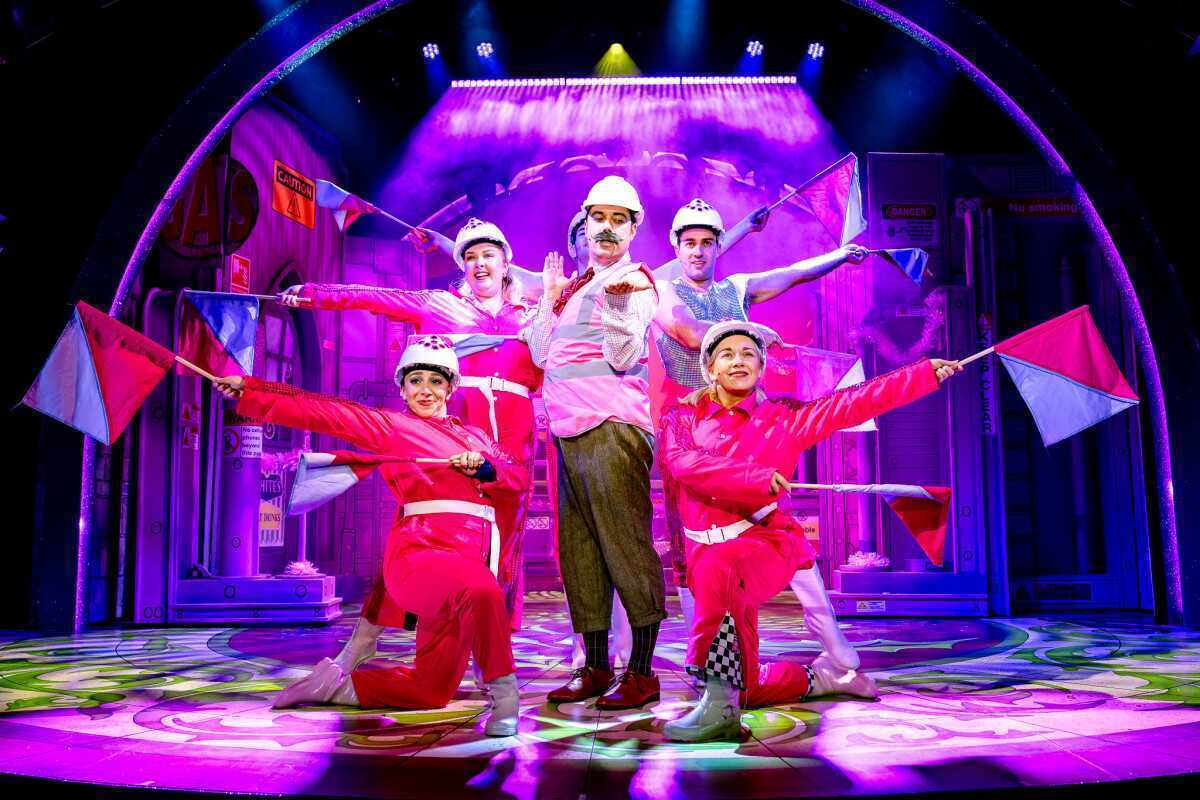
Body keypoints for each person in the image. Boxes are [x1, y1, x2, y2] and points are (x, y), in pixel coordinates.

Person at [658, 320, 962, 741]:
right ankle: (818, 680)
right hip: (704, 552)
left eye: (748, 354)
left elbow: (854, 402)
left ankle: (720, 710)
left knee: (719, 568)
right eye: (727, 354)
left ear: (761, 367)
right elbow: (681, 463)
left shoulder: (785, 417)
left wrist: (922, 374)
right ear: (709, 369)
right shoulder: (680, 416)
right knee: (744, 681)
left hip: (764, 543)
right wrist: (755, 476)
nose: (738, 361)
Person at [213, 335, 529, 736]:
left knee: (431, 690)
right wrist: (253, 390)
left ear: (451, 388)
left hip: (468, 566)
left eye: (436, 381)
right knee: (482, 591)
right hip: (422, 557)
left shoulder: (478, 438)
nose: (426, 390)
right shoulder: (392, 427)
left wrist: (485, 468)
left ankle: (333, 687)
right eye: (415, 381)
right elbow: (327, 412)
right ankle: (506, 697)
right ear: (402, 389)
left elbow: (517, 479)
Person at [280, 218, 540, 670]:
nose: (480, 264)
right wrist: (314, 294)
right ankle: (366, 636)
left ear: (506, 262)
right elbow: (374, 297)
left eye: (488, 255)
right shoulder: (440, 304)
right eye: (470, 257)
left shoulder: (531, 316)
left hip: (514, 439)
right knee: (423, 531)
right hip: (451, 431)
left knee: (504, 542)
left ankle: (491, 647)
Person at [649, 198, 870, 679]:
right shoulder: (663, 291)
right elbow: (689, 333)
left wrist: (840, 255)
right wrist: (746, 331)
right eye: (690, 243)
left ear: (718, 247)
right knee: (691, 541)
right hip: (692, 426)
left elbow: (792, 273)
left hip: (745, 425)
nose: (698, 251)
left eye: (707, 243)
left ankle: (830, 636)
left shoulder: (736, 287)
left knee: (776, 522)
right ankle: (702, 654)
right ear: (676, 247)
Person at [523, 175, 664, 710]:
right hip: (567, 430)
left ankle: (642, 673)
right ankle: (597, 667)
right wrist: (550, 298)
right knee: (579, 551)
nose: (605, 228)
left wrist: (621, 308)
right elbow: (541, 355)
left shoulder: (634, 281)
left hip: (611, 424)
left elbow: (624, 356)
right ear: (583, 225)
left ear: (633, 229)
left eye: (617, 219)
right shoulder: (578, 286)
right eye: (597, 218)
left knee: (625, 546)